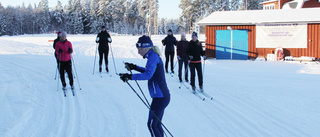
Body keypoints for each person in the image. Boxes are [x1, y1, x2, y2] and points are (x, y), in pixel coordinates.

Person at [120, 35, 170, 137]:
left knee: (152, 125)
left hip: (160, 98)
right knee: (156, 124)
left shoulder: (153, 57)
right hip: (160, 97)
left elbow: (148, 75)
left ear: (146, 48)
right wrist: (134, 67)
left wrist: (130, 77)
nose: (138, 52)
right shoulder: (152, 56)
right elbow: (150, 71)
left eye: (139, 49)